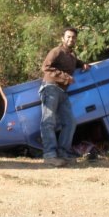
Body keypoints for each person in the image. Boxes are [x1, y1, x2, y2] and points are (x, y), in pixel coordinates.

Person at [39, 27, 90, 167]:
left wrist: (83, 64)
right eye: (68, 37)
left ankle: (63, 153)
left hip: (62, 92)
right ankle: (50, 155)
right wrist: (66, 77)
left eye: (73, 37)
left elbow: (75, 62)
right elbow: (46, 67)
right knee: (48, 122)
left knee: (70, 122)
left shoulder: (71, 55)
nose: (70, 39)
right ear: (63, 38)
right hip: (50, 88)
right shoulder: (56, 51)